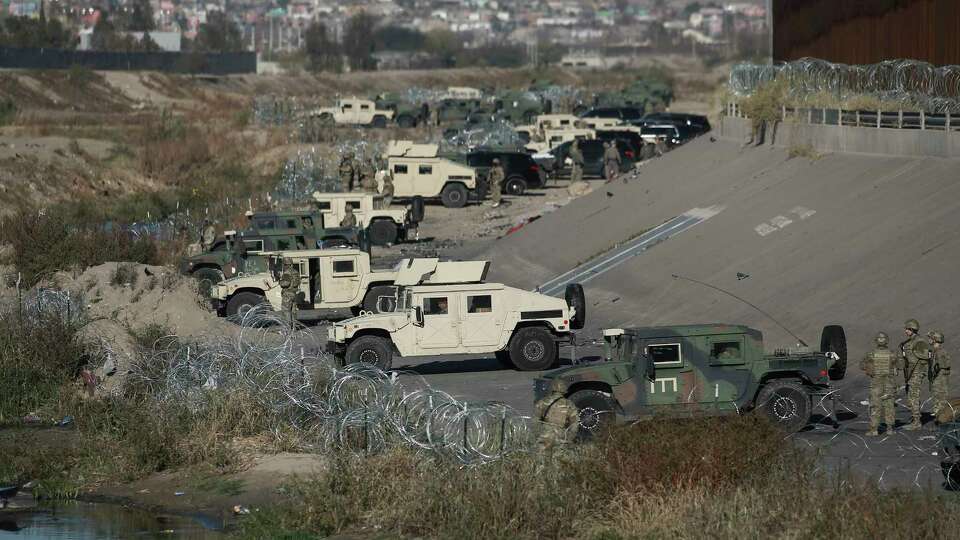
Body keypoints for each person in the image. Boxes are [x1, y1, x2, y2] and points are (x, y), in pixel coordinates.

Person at [861, 332, 898, 436]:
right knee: (889, 405)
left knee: (875, 406)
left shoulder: (871, 354)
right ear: (887, 341)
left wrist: (870, 367)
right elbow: (900, 365)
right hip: (889, 383)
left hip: (876, 383)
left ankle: (874, 429)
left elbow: (862, 365)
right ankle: (890, 429)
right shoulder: (892, 353)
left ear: (876, 340)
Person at [900, 318, 932, 430]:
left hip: (916, 373)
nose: (906, 331)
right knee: (911, 396)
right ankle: (915, 419)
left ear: (912, 329)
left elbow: (926, 357)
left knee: (914, 396)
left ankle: (917, 422)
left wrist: (917, 367)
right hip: (912, 373)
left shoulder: (919, 342)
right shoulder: (909, 342)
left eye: (908, 329)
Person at [534, 379, 580, 449]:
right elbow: (574, 425)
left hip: (544, 436)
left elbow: (535, 421)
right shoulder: (569, 404)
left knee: (542, 457)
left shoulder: (542, 402)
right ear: (564, 389)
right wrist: (569, 439)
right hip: (561, 438)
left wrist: (538, 435)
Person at [928, 331, 951, 422]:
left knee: (940, 399)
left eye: (930, 338)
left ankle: (942, 421)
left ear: (935, 340)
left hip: (940, 379)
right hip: (938, 379)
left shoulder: (940, 352)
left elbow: (941, 366)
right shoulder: (936, 351)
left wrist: (934, 372)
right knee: (938, 399)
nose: (929, 340)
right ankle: (940, 419)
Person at [278, 260, 300, 329]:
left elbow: (286, 283)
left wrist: (280, 281)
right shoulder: (296, 272)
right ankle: (294, 328)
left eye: (285, 265)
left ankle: (287, 328)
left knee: (286, 311)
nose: (284, 266)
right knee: (293, 312)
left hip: (287, 294)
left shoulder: (287, 272)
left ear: (288, 265)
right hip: (294, 294)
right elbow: (298, 282)